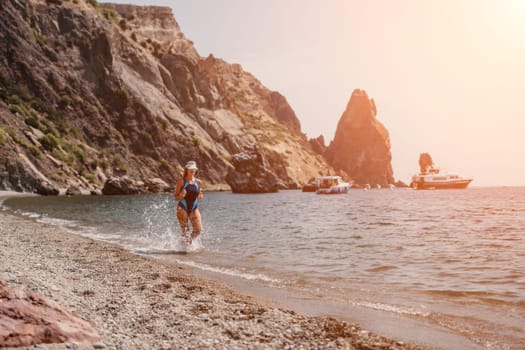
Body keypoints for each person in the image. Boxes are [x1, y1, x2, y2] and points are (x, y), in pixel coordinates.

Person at [174, 161, 203, 244]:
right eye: (191, 169)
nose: (193, 170)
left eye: (194, 169)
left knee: (198, 230)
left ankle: (185, 244)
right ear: (186, 170)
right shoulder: (181, 182)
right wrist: (181, 195)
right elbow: (176, 197)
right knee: (185, 231)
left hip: (194, 207)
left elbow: (200, 194)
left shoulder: (199, 182)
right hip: (182, 207)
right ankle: (184, 249)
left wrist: (200, 196)